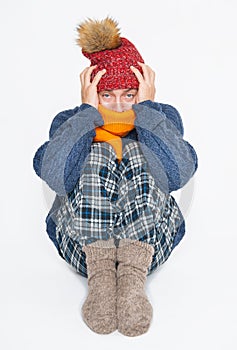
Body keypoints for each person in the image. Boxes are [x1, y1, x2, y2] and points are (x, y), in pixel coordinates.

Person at [33, 16, 198, 337]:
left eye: (130, 94)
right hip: (82, 249)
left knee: (139, 153)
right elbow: (57, 178)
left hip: (150, 247)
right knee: (99, 153)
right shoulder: (71, 121)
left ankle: (132, 281)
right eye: (107, 94)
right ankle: (102, 280)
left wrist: (149, 110)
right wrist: (86, 116)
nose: (120, 105)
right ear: (91, 92)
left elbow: (179, 174)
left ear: (144, 91)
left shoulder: (160, 118)